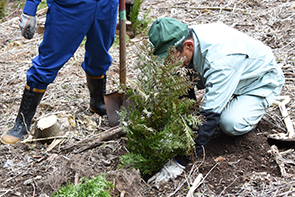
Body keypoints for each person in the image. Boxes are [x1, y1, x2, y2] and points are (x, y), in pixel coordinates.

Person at [147, 17, 285, 186]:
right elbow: (183, 90)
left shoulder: (220, 61)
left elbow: (208, 117)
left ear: (189, 46)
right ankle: (223, 94)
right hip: (230, 73)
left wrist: (180, 161)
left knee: (229, 123)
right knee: (178, 73)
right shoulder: (181, 37)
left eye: (171, 58)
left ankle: (250, 110)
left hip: (257, 81)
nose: (168, 63)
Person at [0, 0, 120, 145]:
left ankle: (98, 102)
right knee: (48, 61)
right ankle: (22, 123)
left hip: (106, 6)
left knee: (100, 56)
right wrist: (30, 8)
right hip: (70, 7)